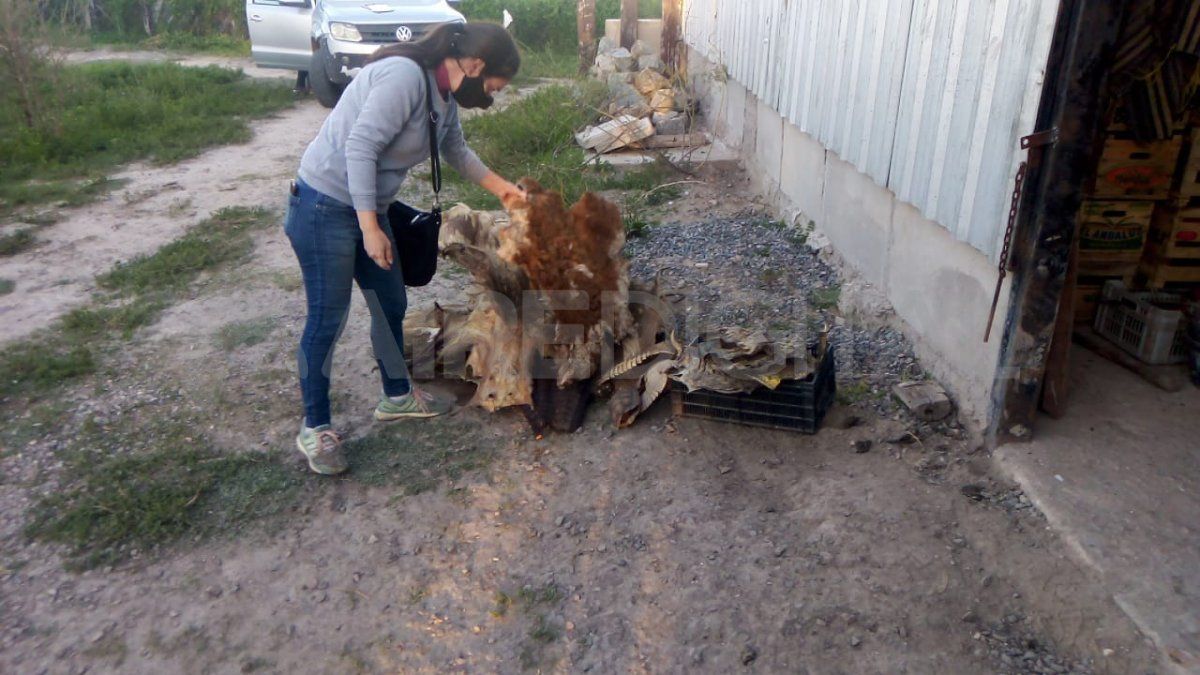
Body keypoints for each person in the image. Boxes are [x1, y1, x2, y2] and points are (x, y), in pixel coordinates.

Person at [284, 22, 522, 475]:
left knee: (390, 302)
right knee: (327, 318)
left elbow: (456, 150)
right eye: (496, 83)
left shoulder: (442, 94)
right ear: (475, 65)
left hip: (370, 207)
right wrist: (370, 229)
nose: (494, 93)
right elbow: (360, 147)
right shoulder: (405, 77)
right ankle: (315, 426)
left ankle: (396, 396)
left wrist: (506, 192)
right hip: (323, 207)